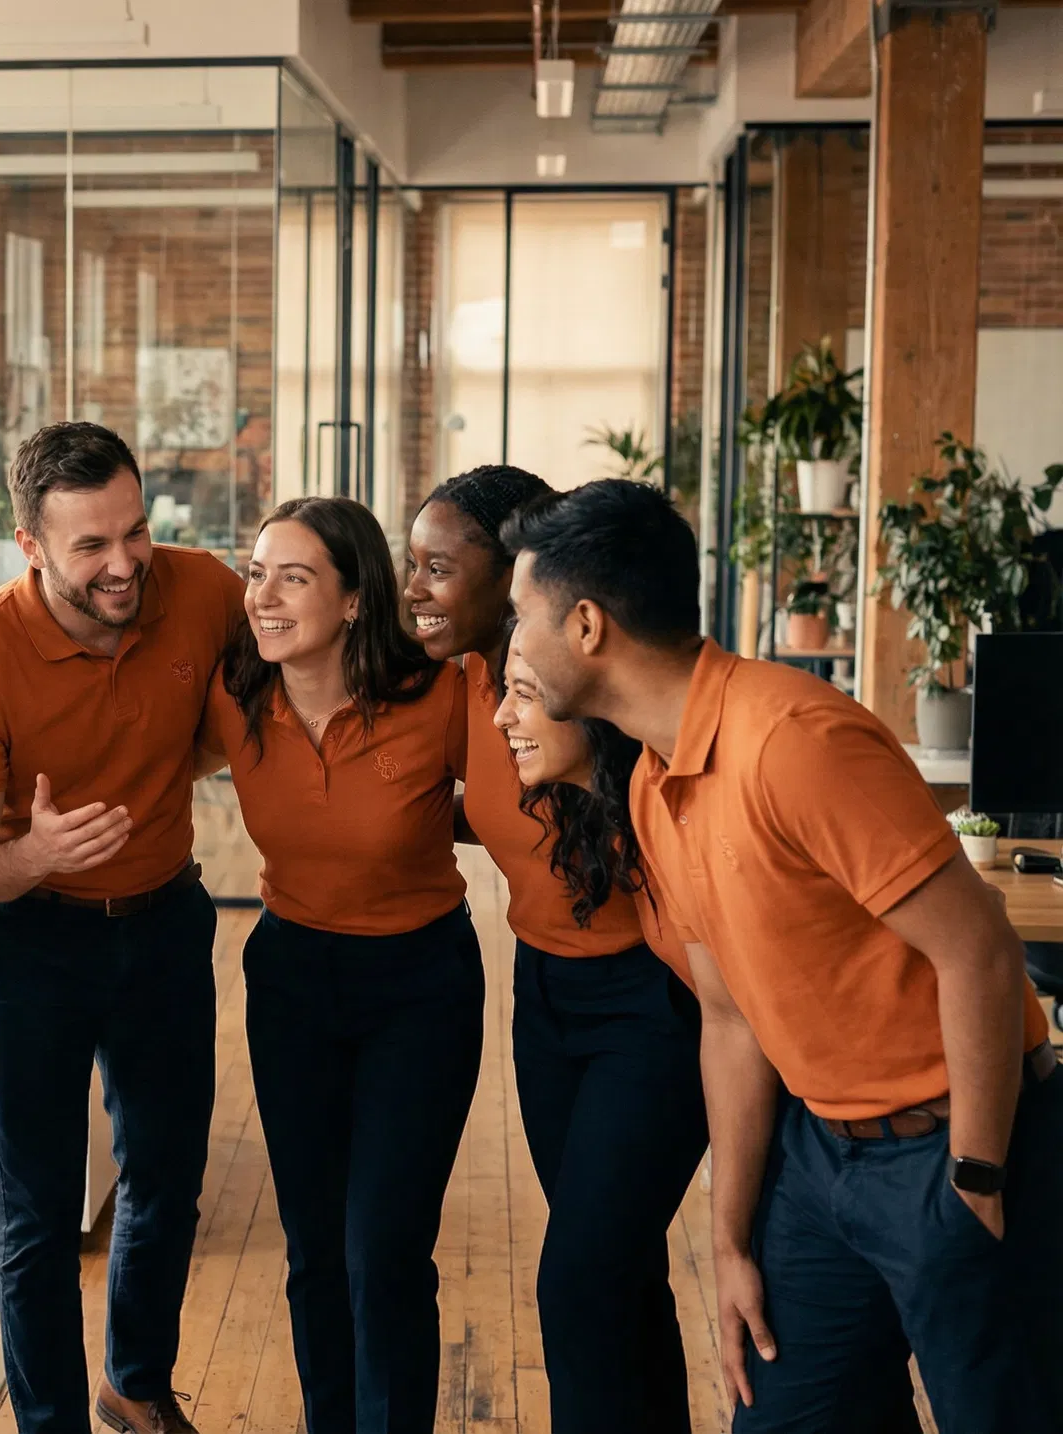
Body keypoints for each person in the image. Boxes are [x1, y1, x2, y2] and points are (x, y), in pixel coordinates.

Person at [505, 478, 1063, 1433]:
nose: (510, 644)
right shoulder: (652, 781)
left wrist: (974, 1178)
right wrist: (732, 1243)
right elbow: (729, 1020)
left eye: (522, 617)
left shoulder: (795, 740)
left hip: (962, 1144)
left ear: (587, 626)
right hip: (818, 1161)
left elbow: (979, 951)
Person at [0, 421, 245, 1434]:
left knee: (167, 1175)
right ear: (30, 545)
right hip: (33, 942)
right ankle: (49, 1420)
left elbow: (232, 723)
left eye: (134, 532)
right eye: (91, 547)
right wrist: (39, 856)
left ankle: (134, 1385)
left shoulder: (201, 589)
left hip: (163, 925)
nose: (123, 565)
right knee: (38, 1206)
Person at [405, 467, 706, 1433]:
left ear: (515, 575)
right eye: (412, 565)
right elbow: (477, 807)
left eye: (440, 568)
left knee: (580, 1278)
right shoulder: (474, 685)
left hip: (651, 1007)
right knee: (617, 1268)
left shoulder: (599, 693)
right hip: (545, 999)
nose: (418, 587)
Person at [200, 496, 474, 1434]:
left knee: (385, 1250)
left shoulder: (440, 698)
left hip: (420, 989)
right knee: (315, 1249)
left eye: (295, 576)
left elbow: (540, 786)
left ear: (357, 600)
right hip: (292, 981)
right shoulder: (234, 700)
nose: (263, 597)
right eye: (256, 573)